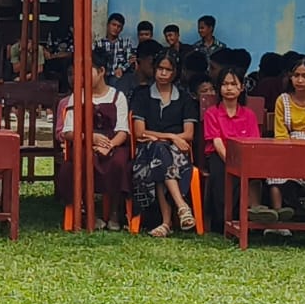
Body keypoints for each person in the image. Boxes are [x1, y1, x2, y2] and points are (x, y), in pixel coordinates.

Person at [57, 48, 131, 231]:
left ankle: (114, 213)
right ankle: (89, 213)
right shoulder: (77, 96)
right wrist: (90, 138)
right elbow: (68, 131)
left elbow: (123, 130)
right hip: (83, 143)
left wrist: (109, 145)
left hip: (112, 143)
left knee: (120, 162)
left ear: (102, 71)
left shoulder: (117, 97)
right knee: (82, 159)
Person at [129, 48, 198, 235]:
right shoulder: (142, 95)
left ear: (175, 72)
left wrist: (166, 138)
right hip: (147, 152)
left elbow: (189, 134)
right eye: (160, 68)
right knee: (159, 152)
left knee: (160, 159)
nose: (163, 73)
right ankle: (181, 206)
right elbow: (139, 132)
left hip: (177, 154)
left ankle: (166, 223)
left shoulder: (184, 98)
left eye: (168, 70)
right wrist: (172, 136)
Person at [258, 56, 305, 226]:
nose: (300, 80)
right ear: (290, 77)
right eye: (296, 75)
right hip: (285, 149)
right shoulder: (282, 100)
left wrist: (304, 153)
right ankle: (277, 217)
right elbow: (281, 133)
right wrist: (289, 153)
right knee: (275, 171)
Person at [203, 67, 260, 234]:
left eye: (233, 84)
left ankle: (245, 219)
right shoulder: (212, 113)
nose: (229, 88)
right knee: (221, 174)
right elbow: (217, 141)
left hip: (244, 157)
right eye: (224, 84)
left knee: (252, 176)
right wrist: (231, 162)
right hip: (220, 155)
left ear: (241, 87)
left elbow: (253, 143)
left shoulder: (248, 114)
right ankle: (221, 222)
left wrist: (242, 163)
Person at [96, 12, 133, 91]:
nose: (116, 28)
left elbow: (130, 60)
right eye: (113, 25)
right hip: (103, 76)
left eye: (119, 26)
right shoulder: (99, 43)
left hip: (118, 76)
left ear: (122, 29)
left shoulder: (125, 43)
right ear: (108, 25)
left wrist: (122, 69)